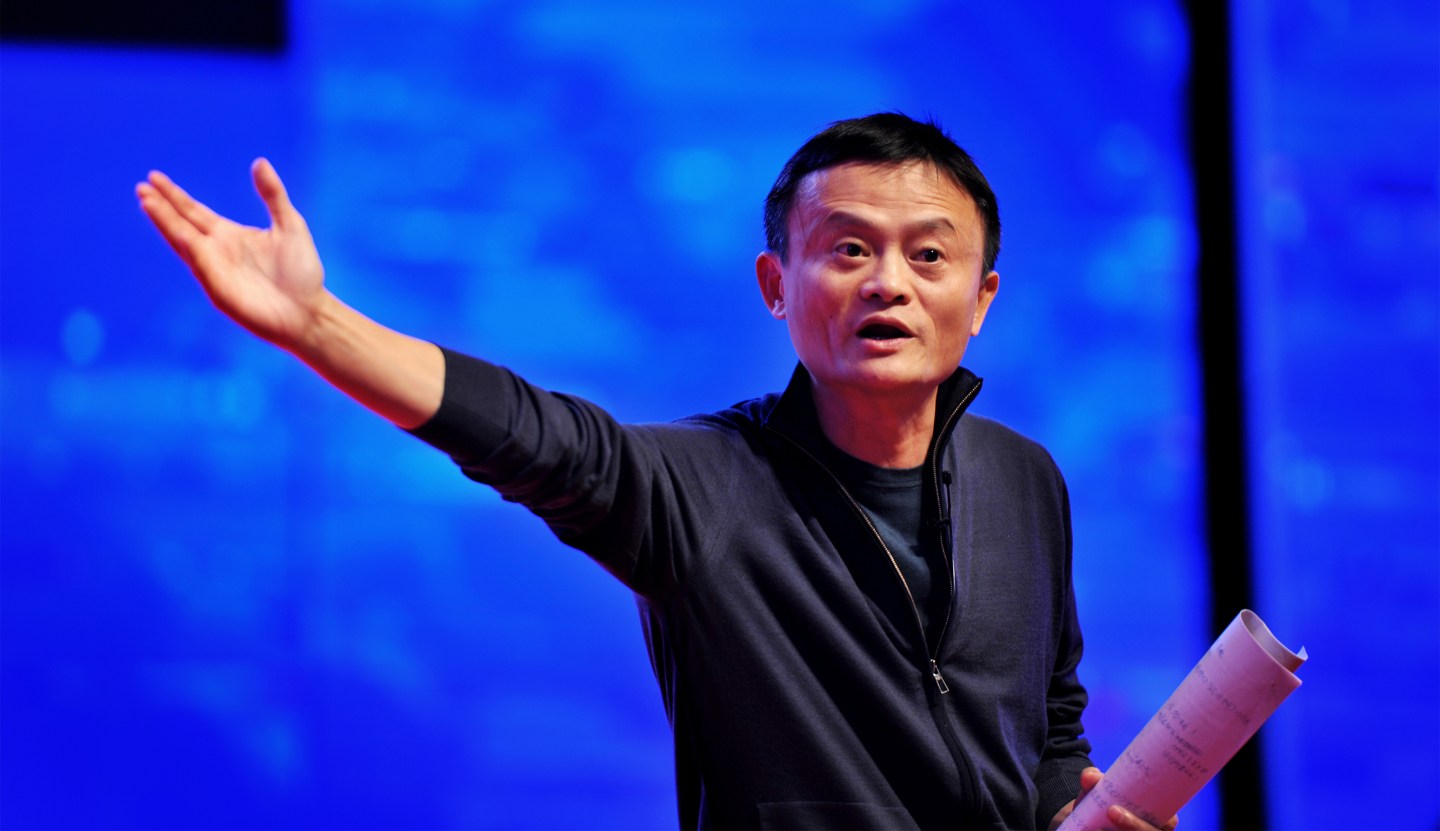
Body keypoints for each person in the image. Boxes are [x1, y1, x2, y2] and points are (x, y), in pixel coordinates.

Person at [137, 113, 1176, 831]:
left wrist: (1072, 807)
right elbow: (534, 436)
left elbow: (1049, 723)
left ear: (982, 296)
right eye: (848, 249)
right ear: (777, 284)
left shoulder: (1024, 478)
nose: (888, 284)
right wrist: (318, 324)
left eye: (929, 256)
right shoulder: (707, 488)